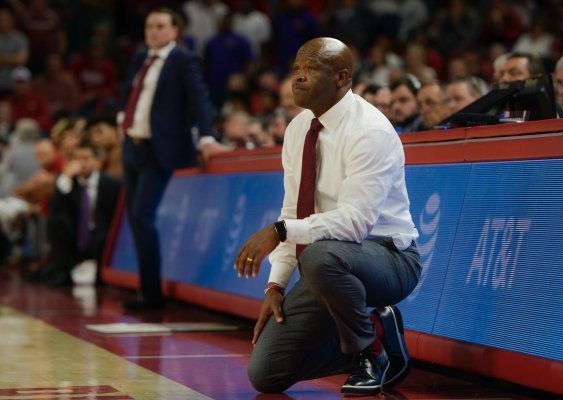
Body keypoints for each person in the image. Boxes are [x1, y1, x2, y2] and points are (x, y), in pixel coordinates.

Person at [234, 37, 421, 396]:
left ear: (341, 77)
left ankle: (370, 352)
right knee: (266, 373)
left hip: (389, 258)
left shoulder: (370, 130)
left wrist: (280, 231)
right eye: (296, 70)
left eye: (312, 69)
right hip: (331, 263)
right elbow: (293, 211)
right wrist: (276, 285)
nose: (299, 78)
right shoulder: (297, 129)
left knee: (320, 256)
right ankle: (378, 334)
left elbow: (354, 223)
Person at [118, 7, 225, 310]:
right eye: (150, 25)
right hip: (132, 145)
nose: (153, 31)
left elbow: (200, 99)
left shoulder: (184, 60)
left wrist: (206, 136)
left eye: (161, 26)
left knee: (142, 216)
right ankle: (146, 289)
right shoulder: (141, 57)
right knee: (136, 219)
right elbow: (129, 90)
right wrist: (120, 118)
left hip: (158, 150)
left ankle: (151, 295)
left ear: (175, 31)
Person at [38, 140, 121, 286]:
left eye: (86, 158)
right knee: (57, 220)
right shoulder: (69, 182)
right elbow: (55, 207)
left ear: (97, 161)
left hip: (100, 237)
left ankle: (101, 276)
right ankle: (62, 272)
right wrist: (65, 177)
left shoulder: (112, 184)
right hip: (76, 238)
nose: (81, 163)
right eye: (77, 158)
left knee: (104, 236)